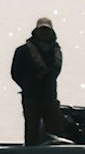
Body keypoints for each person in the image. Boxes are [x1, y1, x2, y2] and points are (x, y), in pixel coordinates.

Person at [10, 16, 63, 144]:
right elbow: (15, 73)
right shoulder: (22, 51)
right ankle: (30, 151)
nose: (44, 33)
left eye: (47, 30)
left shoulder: (56, 51)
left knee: (55, 128)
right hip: (31, 97)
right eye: (41, 30)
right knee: (32, 129)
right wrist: (28, 86)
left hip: (50, 97)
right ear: (36, 31)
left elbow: (56, 72)